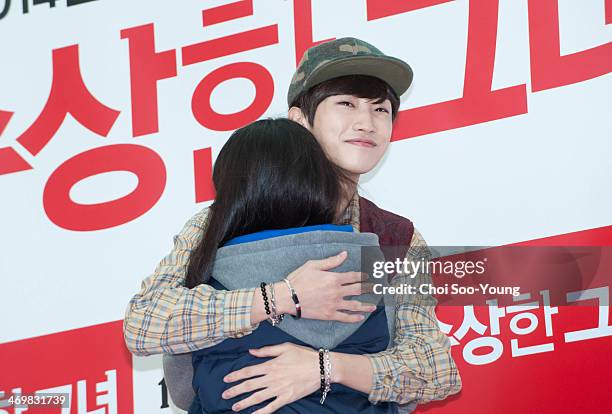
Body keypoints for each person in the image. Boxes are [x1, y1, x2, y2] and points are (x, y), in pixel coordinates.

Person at [124, 37, 461, 413]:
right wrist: (281, 297)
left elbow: (435, 370)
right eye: (346, 104)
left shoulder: (391, 235)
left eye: (380, 109)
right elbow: (145, 324)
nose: (366, 123)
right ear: (300, 120)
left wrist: (324, 368)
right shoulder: (225, 218)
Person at [187, 117, 400, 413]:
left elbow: (181, 384)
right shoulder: (373, 258)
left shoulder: (206, 272)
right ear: (320, 179)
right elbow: (412, 379)